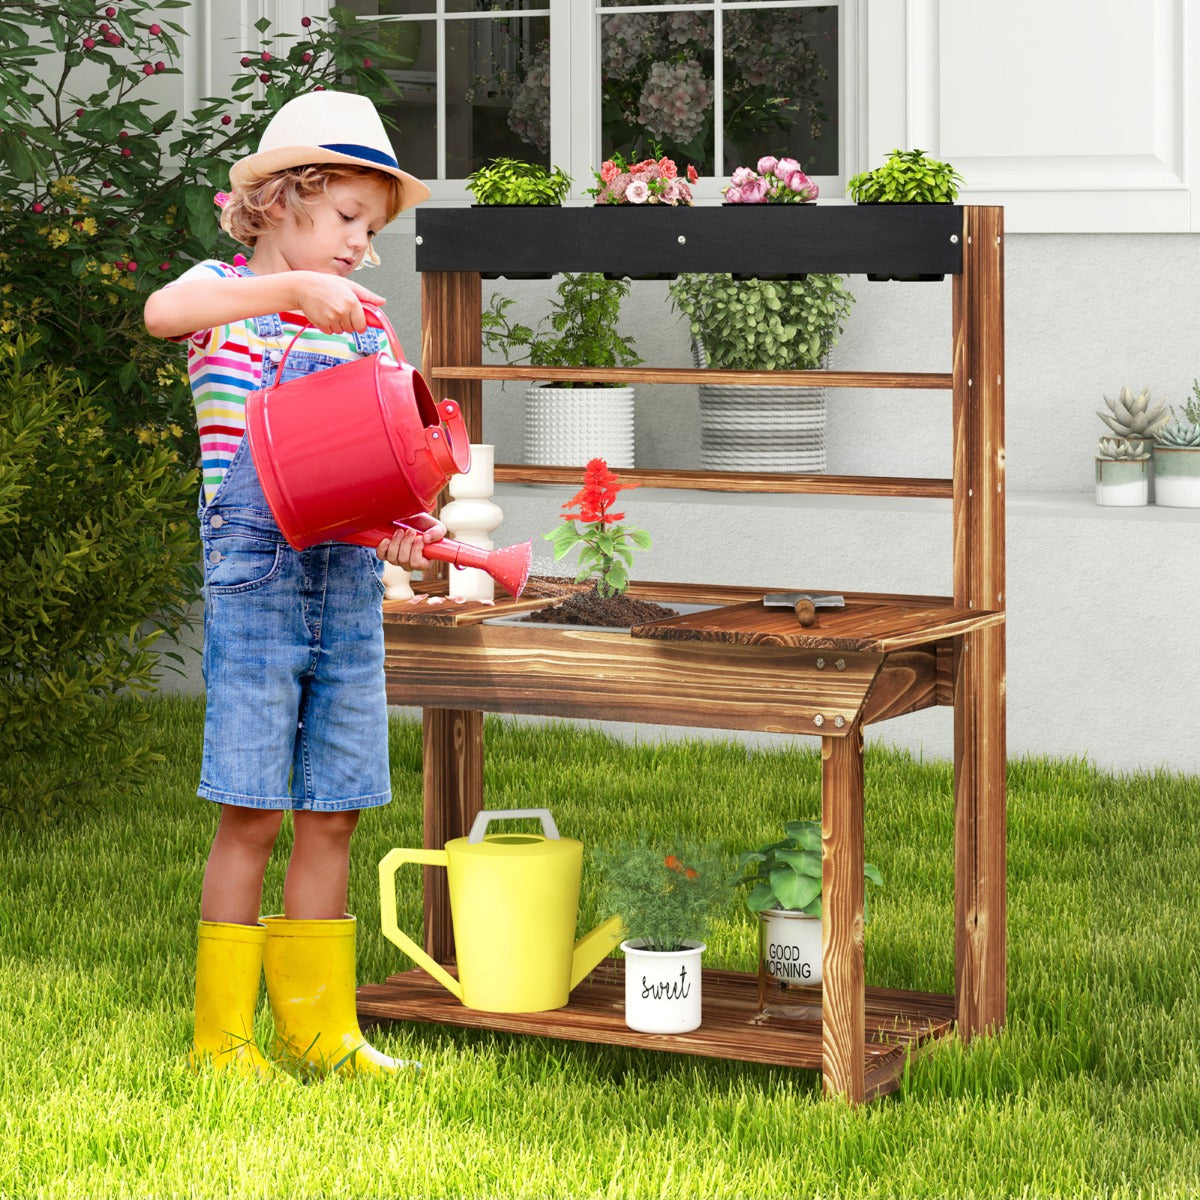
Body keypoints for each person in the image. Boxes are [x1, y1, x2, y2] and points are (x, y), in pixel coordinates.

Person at [144, 90, 442, 1079]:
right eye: (348, 220)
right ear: (279, 200)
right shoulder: (222, 297)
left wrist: (410, 528)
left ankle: (320, 1032)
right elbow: (162, 313)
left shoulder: (370, 330)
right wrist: (284, 295)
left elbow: (395, 456)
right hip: (260, 585)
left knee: (336, 805)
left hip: (349, 583)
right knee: (253, 808)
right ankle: (223, 1042)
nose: (362, 245)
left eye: (373, 229)